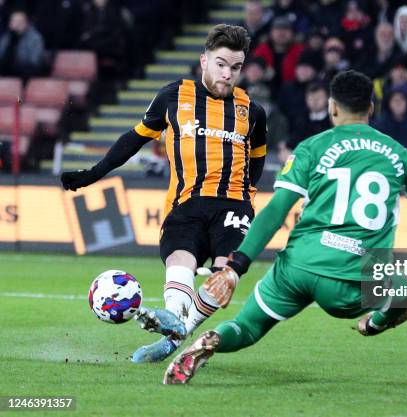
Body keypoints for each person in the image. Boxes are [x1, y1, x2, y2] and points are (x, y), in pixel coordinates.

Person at [162, 70, 407, 385]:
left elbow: (274, 210)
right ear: (371, 108)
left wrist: (236, 265)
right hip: (351, 280)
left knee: (248, 326)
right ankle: (374, 323)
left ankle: (211, 341)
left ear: (332, 108)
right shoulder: (400, 156)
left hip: (297, 266)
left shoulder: (312, 147)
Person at [60, 24, 268, 363]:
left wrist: (247, 197)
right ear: (204, 60)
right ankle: (175, 326)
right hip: (185, 203)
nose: (228, 74)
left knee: (222, 278)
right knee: (180, 263)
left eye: (236, 67)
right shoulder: (174, 96)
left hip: (233, 205)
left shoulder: (253, 112)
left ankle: (179, 329)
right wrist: (92, 174)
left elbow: (257, 159)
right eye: (221, 64)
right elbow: (135, 138)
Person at [0, 10, 45, 78]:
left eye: (19, 21)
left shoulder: (35, 38)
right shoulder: (7, 37)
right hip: (7, 69)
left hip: (26, 70)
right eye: (13, 21)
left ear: (26, 23)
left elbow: (34, 61)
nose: (16, 24)